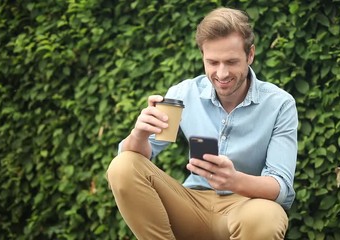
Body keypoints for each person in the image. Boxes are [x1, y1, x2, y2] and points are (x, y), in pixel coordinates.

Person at [107, 7, 298, 240]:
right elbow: (136, 163)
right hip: (191, 206)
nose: (222, 73)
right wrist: (139, 135)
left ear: (250, 55)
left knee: (267, 216)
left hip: (246, 208)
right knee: (123, 164)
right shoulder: (183, 94)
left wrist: (234, 180)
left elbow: (281, 188)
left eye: (231, 61)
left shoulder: (280, 104)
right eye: (212, 62)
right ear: (202, 57)